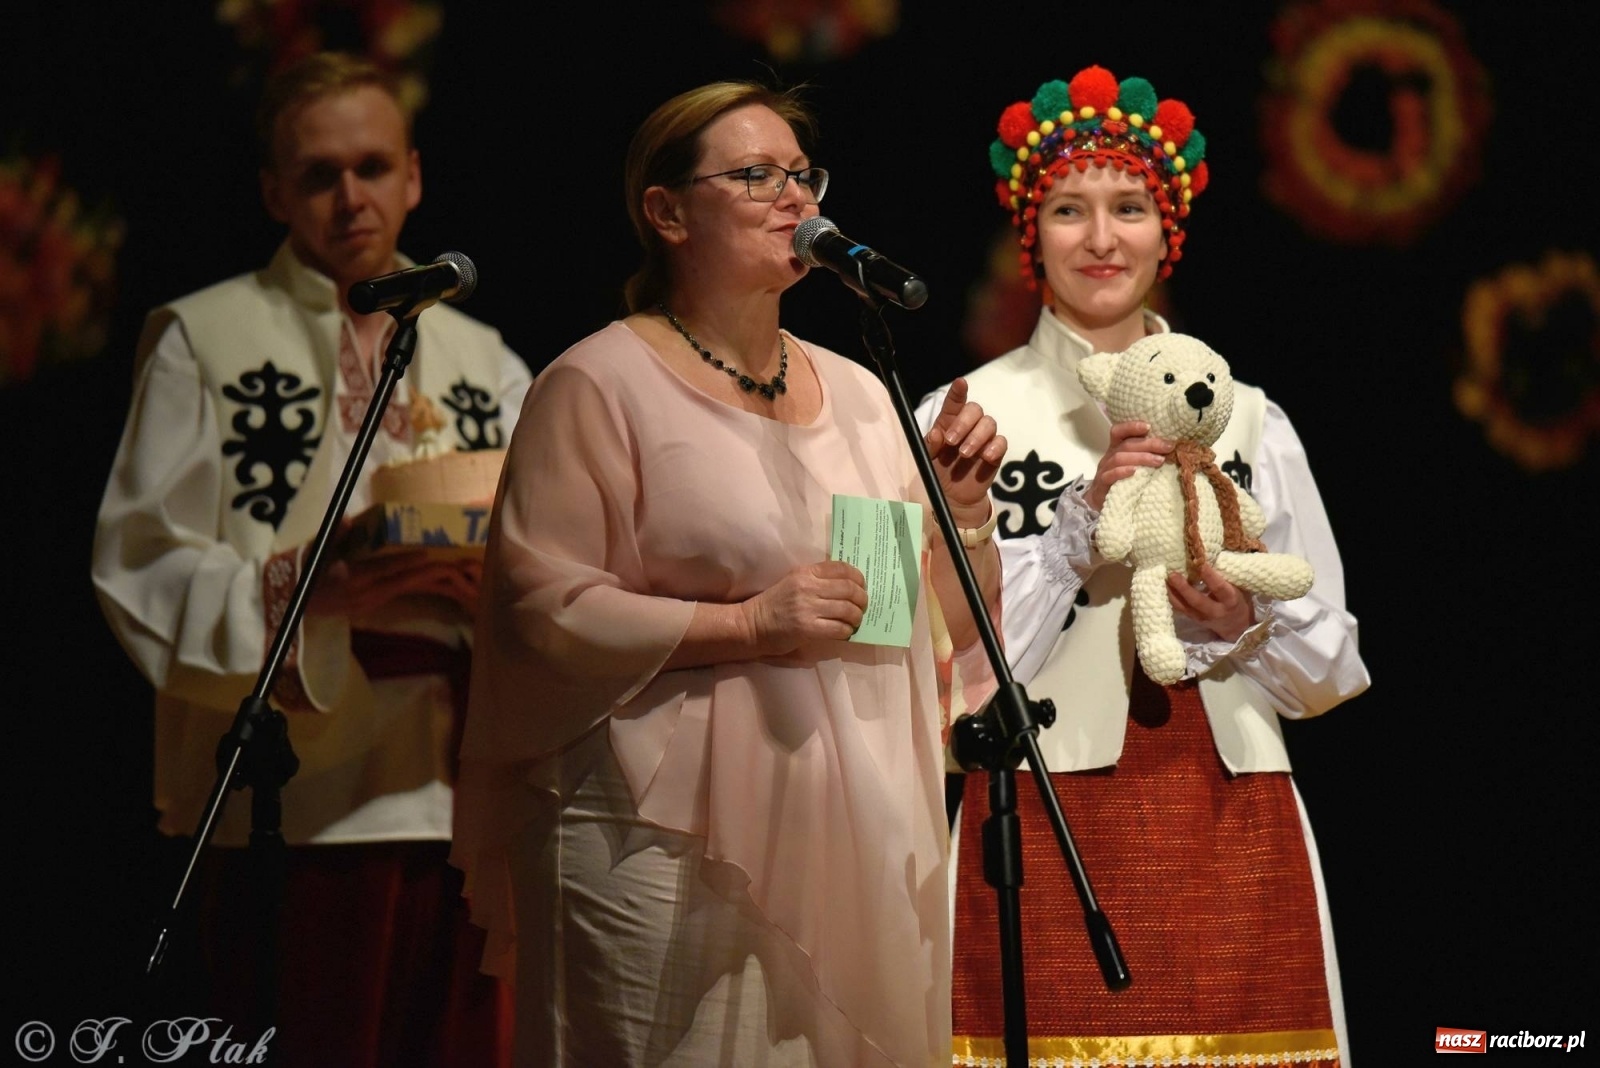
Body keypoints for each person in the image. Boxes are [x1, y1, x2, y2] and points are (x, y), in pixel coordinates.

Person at [449, 79, 1008, 1067]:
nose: (794, 200)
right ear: (665, 212)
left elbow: (904, 627)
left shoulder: (863, 393)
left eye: (803, 175)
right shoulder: (597, 382)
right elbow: (542, 610)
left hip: (843, 832)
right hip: (652, 837)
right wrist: (748, 627)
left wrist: (962, 516)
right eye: (754, 176)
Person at [915, 65, 1371, 1067]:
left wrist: (1238, 620)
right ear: (1029, 235)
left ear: (1168, 231)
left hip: (1228, 805)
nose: (1101, 237)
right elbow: (933, 668)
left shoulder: (1248, 416)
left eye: (1128, 208)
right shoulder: (964, 417)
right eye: (1069, 210)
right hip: (1033, 808)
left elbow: (1333, 664)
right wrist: (1078, 527)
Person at [92, 51, 531, 1067]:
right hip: (301, 785)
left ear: (413, 177)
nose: (349, 198)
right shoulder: (203, 337)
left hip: (463, 776)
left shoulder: (488, 359)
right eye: (319, 175)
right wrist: (308, 588)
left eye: (372, 168)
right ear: (273, 191)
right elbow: (139, 560)